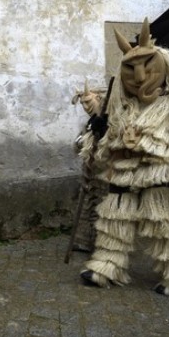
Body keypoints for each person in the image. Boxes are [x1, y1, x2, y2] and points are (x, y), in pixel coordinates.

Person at [80, 19, 169, 298]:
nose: (140, 75)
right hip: (124, 171)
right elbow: (107, 139)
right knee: (114, 219)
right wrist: (99, 127)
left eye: (147, 66)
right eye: (131, 69)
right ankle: (107, 266)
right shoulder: (122, 105)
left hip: (163, 174)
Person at [70, 81, 108, 253]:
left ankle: (102, 244)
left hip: (104, 172)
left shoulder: (107, 120)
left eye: (88, 102)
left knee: (101, 206)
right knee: (86, 204)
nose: (85, 106)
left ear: (98, 98)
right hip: (90, 171)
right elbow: (81, 144)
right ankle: (84, 241)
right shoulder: (91, 122)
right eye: (82, 103)